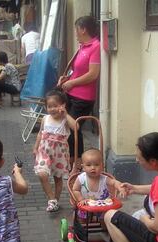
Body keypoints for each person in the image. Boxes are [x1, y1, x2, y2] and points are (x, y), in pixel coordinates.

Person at [57, 16, 101, 172]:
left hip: (83, 98)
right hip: (71, 93)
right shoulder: (83, 46)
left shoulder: (96, 46)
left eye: (77, 29)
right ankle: (73, 164)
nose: (75, 33)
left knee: (73, 128)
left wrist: (72, 83)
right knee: (68, 129)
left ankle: (77, 166)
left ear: (83, 29)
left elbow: (93, 74)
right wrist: (67, 78)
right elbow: (77, 71)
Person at [33, 89, 76, 212]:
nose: (52, 109)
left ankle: (55, 201)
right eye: (49, 106)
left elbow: (76, 127)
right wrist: (35, 147)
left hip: (59, 153)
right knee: (42, 174)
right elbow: (40, 134)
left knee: (58, 178)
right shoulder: (45, 118)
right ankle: (51, 199)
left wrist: (66, 114)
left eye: (55, 106)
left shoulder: (65, 120)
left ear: (63, 105)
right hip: (44, 151)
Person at [72, 148, 123, 220]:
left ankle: (106, 226)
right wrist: (81, 199)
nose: (93, 168)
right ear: (83, 167)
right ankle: (82, 227)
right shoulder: (81, 178)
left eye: (96, 165)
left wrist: (120, 186)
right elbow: (75, 190)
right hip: (87, 204)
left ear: (102, 166)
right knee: (82, 217)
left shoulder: (104, 179)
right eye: (89, 165)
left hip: (102, 206)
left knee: (106, 218)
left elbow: (114, 182)